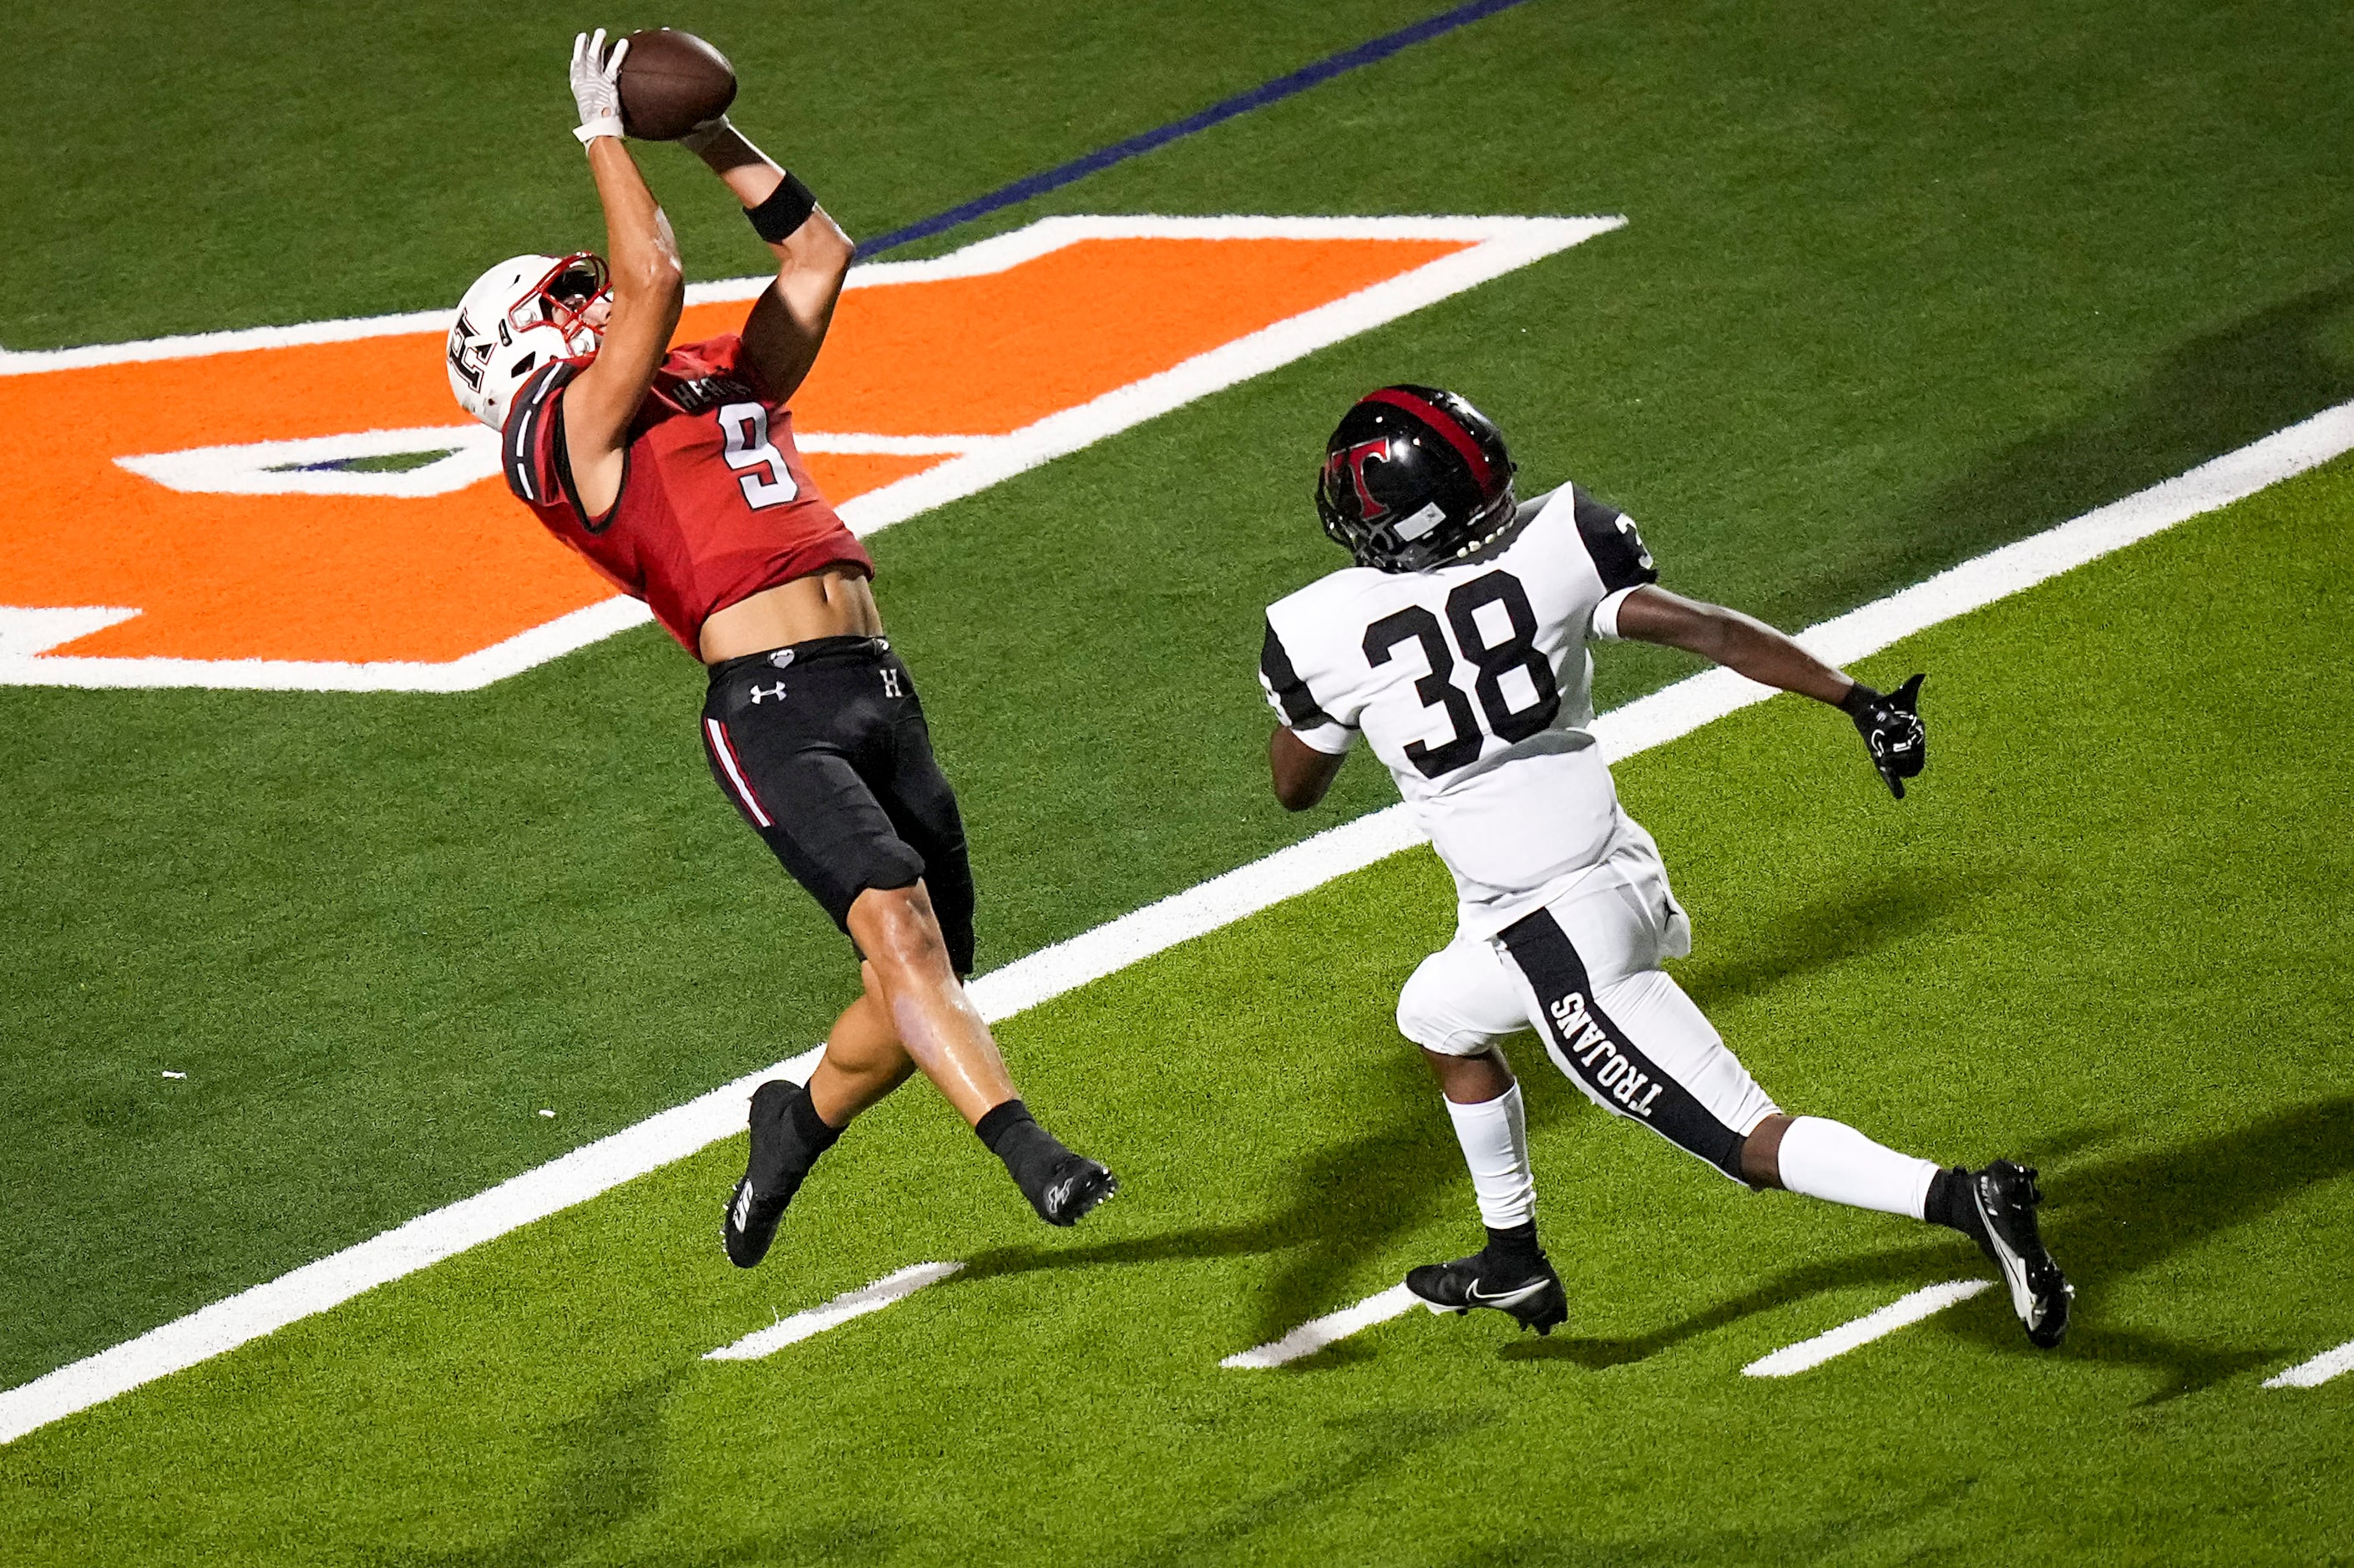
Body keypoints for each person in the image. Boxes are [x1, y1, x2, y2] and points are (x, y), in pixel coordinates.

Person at [445, 32, 1116, 1268]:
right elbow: (651, 275)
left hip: (877, 679)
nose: (584, 294)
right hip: (770, 706)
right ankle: (1032, 1151)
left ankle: (790, 1125)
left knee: (927, 980)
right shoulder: (559, 438)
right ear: (515, 359)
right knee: (906, 944)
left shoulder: (700, 382)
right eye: (557, 302)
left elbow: (817, 253)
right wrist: (601, 130)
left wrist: (706, 134)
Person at [1257, 384, 2070, 1347]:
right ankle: (1511, 1260)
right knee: (1436, 1011)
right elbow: (1711, 630)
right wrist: (1856, 701)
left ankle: (1961, 1200)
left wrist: (1320, 715)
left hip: (1552, 930)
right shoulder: (1558, 543)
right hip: (1613, 869)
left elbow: (1294, 788)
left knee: (1743, 1140)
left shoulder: (1325, 629)